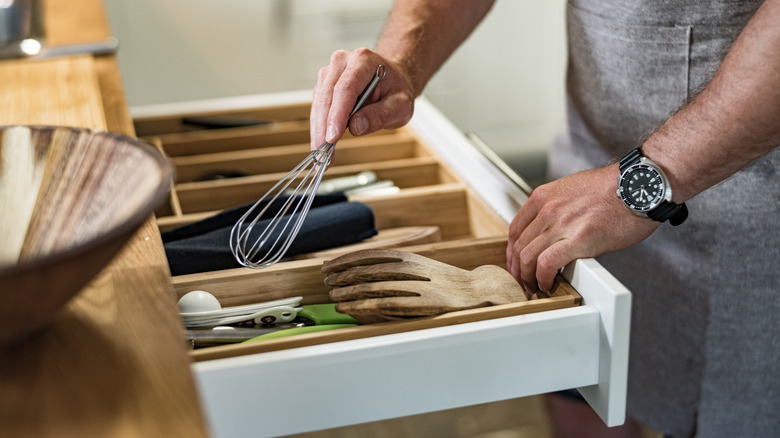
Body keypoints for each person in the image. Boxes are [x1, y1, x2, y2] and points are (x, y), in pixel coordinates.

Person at [309, 1, 780, 437]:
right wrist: (401, 58)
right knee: (580, 389)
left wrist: (645, 180)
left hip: (744, 219)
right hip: (582, 185)